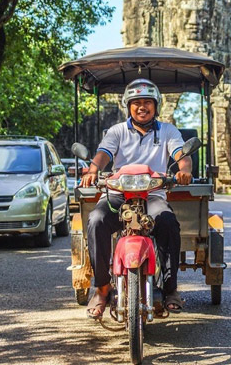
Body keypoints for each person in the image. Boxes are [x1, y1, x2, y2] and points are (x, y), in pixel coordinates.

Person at [80, 78, 192, 319]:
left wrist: (184, 170)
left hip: (153, 193)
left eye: (147, 103)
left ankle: (171, 288)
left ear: (156, 106)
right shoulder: (117, 131)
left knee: (168, 222)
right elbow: (102, 155)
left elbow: (181, 154)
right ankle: (101, 289)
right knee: (96, 220)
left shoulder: (168, 130)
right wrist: (92, 171)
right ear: (128, 107)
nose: (142, 107)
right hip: (119, 195)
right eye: (137, 103)